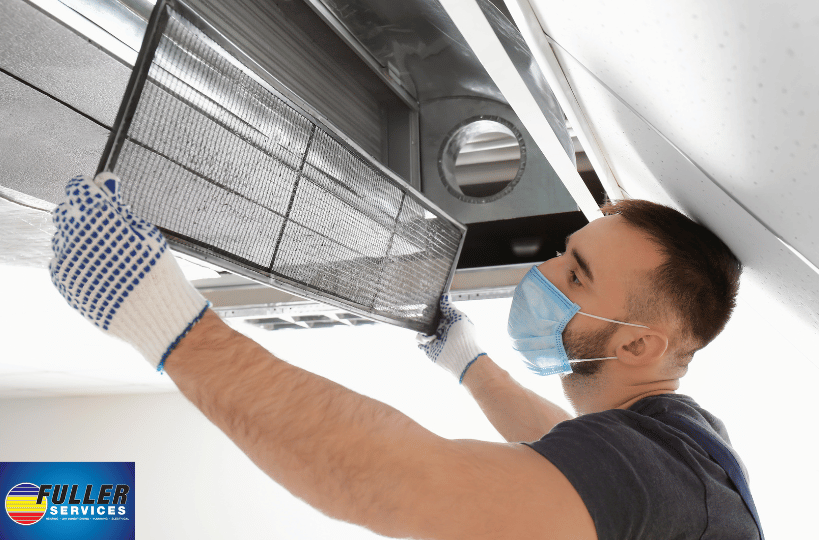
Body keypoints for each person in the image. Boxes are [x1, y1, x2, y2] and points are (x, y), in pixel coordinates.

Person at [49, 172, 759, 539]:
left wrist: (168, 324)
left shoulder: (666, 470)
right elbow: (560, 448)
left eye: (574, 275)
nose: (542, 275)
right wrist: (462, 358)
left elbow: (400, 480)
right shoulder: (676, 446)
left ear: (639, 343)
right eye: (561, 253)